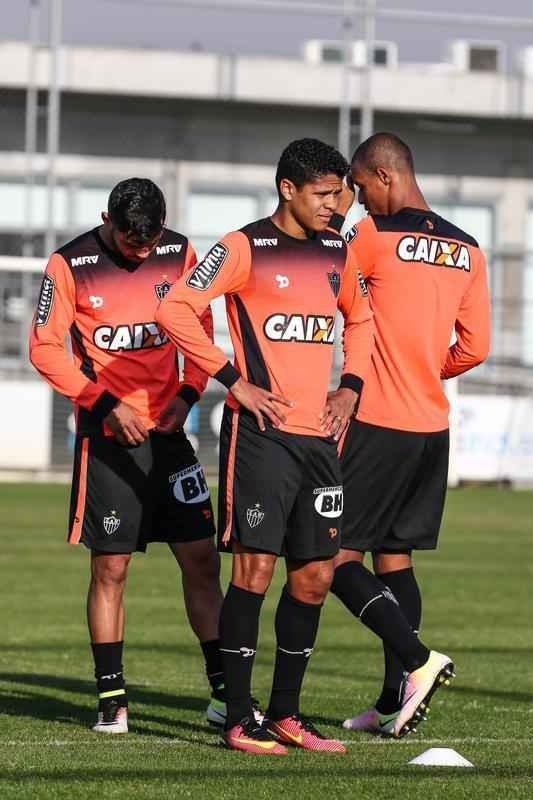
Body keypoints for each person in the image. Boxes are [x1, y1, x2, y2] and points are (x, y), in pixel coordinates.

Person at [156, 138, 374, 755]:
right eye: (325, 194)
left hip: (319, 441)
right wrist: (234, 382)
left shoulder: (339, 250)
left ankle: (286, 714)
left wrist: (350, 386)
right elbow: (177, 309)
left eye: (340, 193)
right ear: (288, 189)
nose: (337, 205)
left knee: (312, 577)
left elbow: (360, 319)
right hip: (261, 440)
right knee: (254, 571)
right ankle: (237, 715)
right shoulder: (243, 246)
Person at [29, 178, 225, 734]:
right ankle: (112, 698)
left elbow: (200, 329)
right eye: (129, 238)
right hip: (109, 437)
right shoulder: (69, 264)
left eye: (150, 238)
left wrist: (188, 396)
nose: (141, 248)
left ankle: (222, 695)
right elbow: (45, 347)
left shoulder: (180, 251)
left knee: (201, 560)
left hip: (168, 433)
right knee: (111, 567)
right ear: (106, 219)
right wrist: (107, 405)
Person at [327, 132, 491, 735]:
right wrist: (426, 367)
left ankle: (420, 662)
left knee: (333, 555)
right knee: (394, 560)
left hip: (378, 422)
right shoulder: (470, 248)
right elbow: (475, 347)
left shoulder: (371, 236)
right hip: (431, 427)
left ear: (384, 175)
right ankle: (395, 702)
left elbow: (332, 292)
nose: (359, 199)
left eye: (361, 187)